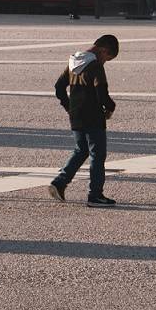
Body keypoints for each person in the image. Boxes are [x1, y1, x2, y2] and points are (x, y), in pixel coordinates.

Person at [49, 34, 118, 207]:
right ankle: (95, 195)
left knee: (81, 150)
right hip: (93, 116)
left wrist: (69, 107)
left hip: (76, 116)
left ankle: (59, 183)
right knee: (97, 154)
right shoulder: (95, 65)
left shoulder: (73, 62)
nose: (104, 62)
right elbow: (102, 94)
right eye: (107, 58)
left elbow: (59, 88)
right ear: (103, 50)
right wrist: (110, 107)